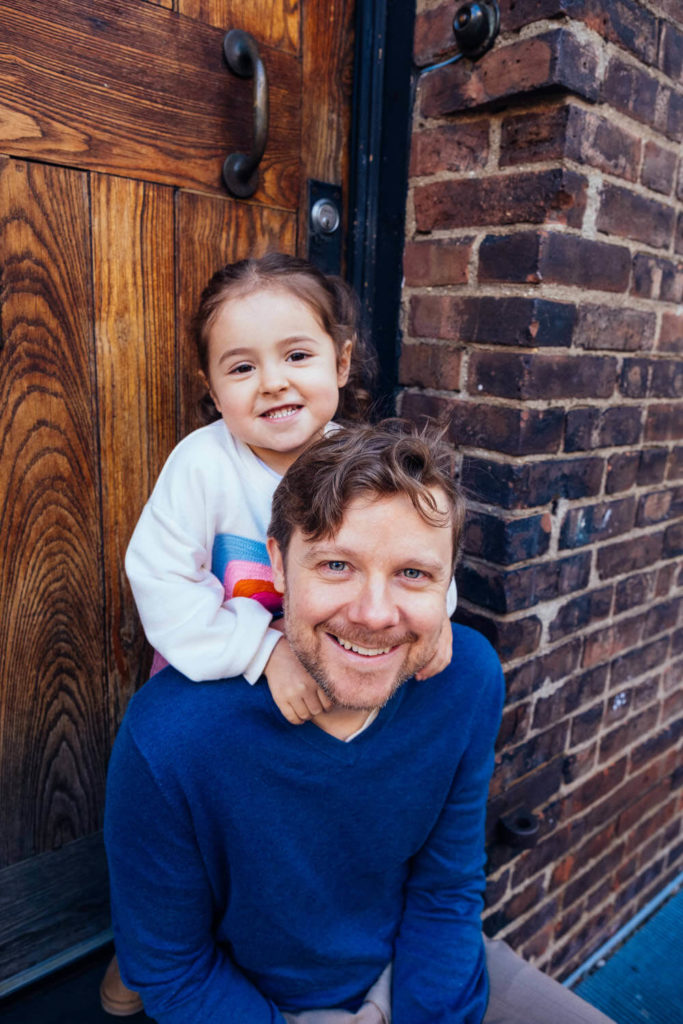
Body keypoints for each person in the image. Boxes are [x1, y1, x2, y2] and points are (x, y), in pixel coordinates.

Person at [104, 420, 615, 1024]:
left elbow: (446, 888)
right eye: (336, 565)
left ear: (448, 580)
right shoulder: (171, 736)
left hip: (418, 966)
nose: (374, 614)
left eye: (413, 573)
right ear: (277, 564)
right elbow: (174, 969)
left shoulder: (465, 679)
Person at [101, 257, 456, 1015]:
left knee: (280, 833)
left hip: (331, 671)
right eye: (241, 367)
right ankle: (148, 946)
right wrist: (261, 653)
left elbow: (416, 540)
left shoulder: (361, 460)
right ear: (210, 385)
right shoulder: (202, 464)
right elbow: (159, 577)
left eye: (296, 355)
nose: (272, 383)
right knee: (193, 827)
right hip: (222, 675)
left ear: (341, 362)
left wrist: (442, 617)